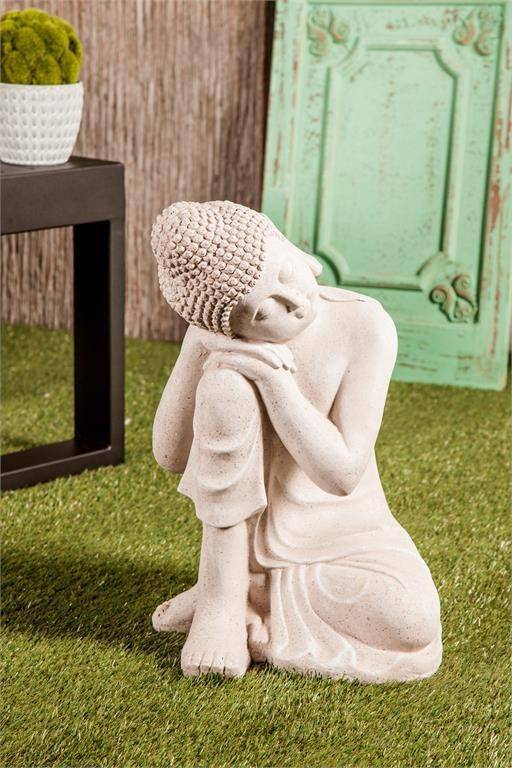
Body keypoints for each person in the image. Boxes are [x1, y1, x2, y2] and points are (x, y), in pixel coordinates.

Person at [150, 201, 442, 681]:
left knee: (412, 622)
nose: (293, 301)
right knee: (224, 387)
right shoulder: (220, 341)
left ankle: (249, 596)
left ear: (290, 246)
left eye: (285, 272)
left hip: (346, 536)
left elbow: (342, 474)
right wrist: (200, 344)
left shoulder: (363, 324)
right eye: (264, 310)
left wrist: (276, 383)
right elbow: (169, 454)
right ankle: (224, 601)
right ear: (230, 324)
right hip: (248, 538)